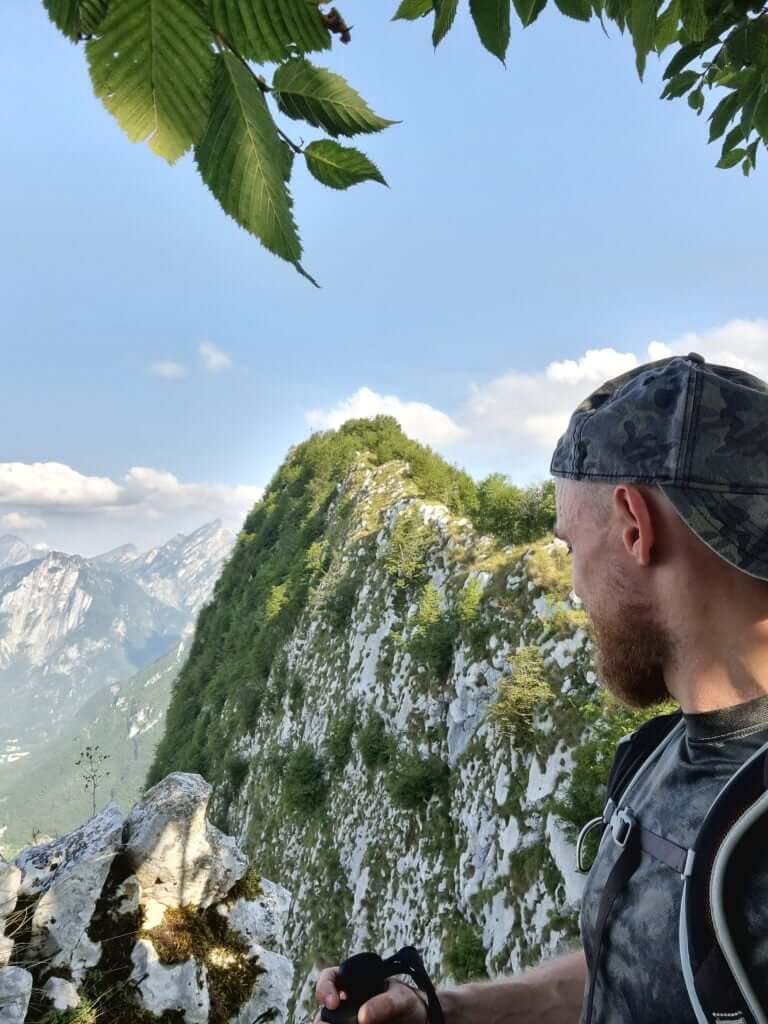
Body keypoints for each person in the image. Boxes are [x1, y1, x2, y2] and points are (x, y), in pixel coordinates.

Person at [314, 352, 768, 1024]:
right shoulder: (659, 754)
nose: (574, 586)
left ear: (634, 524)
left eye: (568, 546)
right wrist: (449, 1010)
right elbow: (641, 968)